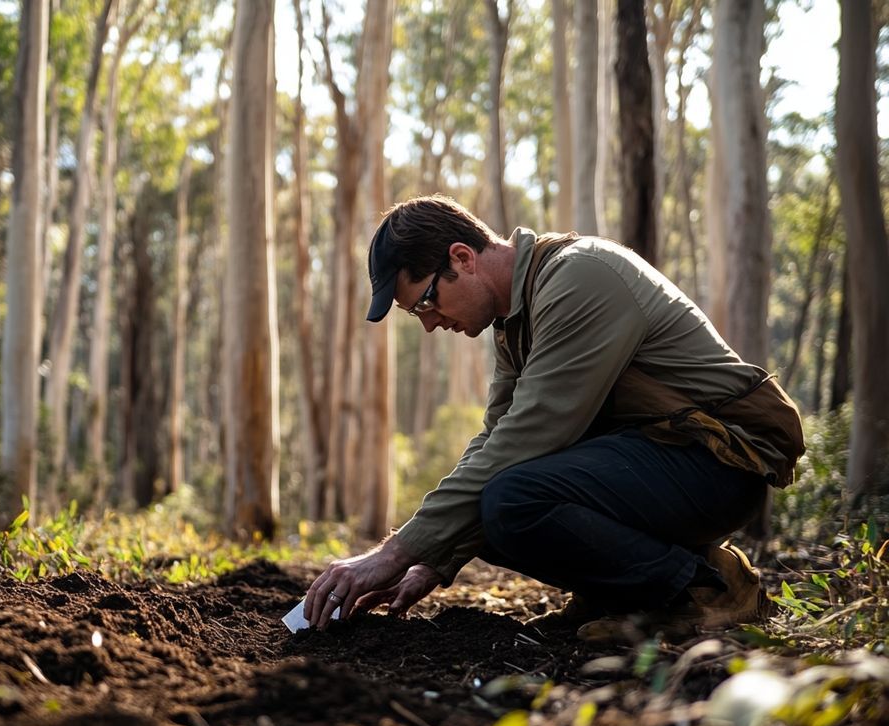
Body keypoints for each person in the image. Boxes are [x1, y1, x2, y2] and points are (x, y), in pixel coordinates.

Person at [304, 195, 804, 642]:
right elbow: (495, 438)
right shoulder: (514, 322)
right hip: (659, 460)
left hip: (719, 464)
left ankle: (708, 590)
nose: (431, 324)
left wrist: (393, 554)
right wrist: (434, 558)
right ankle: (624, 595)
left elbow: (525, 440)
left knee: (512, 500)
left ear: (462, 257)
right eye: (418, 316)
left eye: (427, 302)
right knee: (497, 505)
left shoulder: (579, 277)